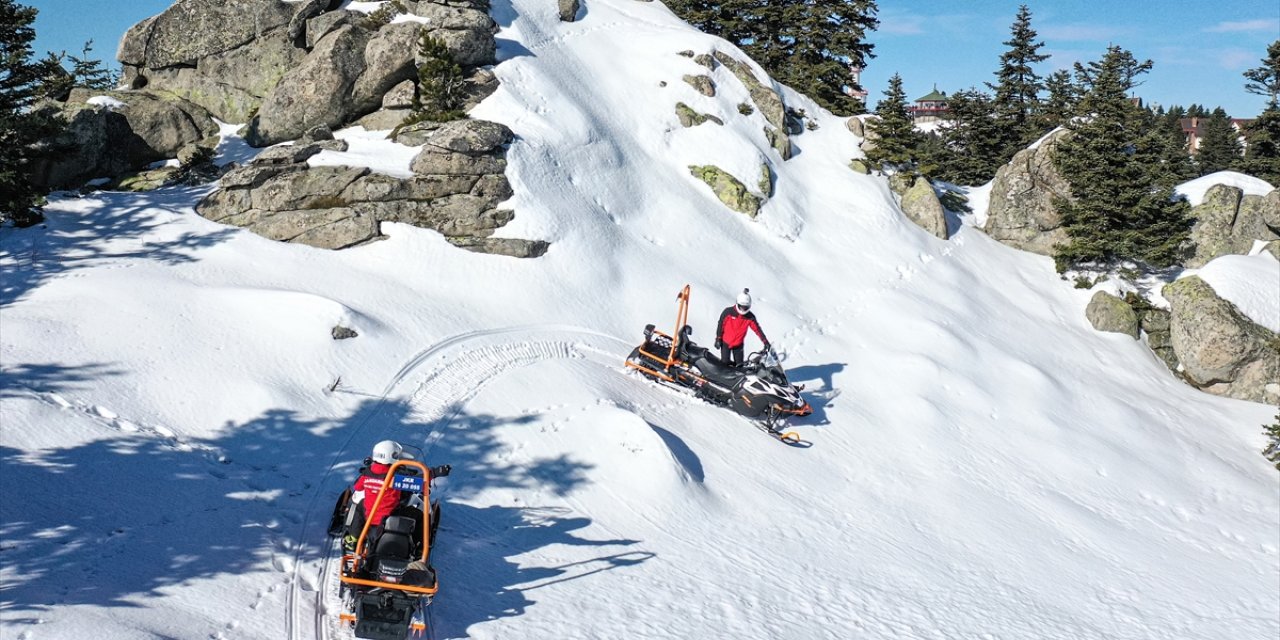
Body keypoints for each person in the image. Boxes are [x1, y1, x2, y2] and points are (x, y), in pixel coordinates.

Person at [344, 440, 450, 551]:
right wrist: (435, 472)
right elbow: (417, 481)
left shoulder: (366, 474)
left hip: (369, 517)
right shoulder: (395, 476)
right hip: (389, 517)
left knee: (358, 505)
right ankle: (420, 546)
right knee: (420, 513)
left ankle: (353, 538)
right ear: (392, 456)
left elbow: (357, 487)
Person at [715, 288, 769, 367]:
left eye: (745, 307)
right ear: (737, 304)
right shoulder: (728, 312)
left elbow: (757, 329)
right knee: (724, 365)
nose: (743, 309)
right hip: (726, 343)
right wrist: (718, 338)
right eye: (741, 307)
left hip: (738, 345)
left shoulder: (750, 317)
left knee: (740, 367)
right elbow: (720, 324)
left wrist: (765, 342)